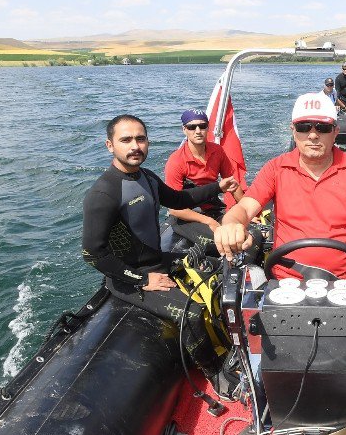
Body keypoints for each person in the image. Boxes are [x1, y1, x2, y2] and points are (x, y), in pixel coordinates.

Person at [213, 92, 346, 435]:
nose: (313, 134)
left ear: (335, 131)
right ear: (293, 131)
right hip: (287, 286)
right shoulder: (277, 169)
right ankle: (264, 425)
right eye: (304, 127)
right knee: (257, 363)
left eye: (322, 127)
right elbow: (245, 208)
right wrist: (230, 224)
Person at [82, 114, 240, 360]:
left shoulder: (146, 177)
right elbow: (92, 253)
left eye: (140, 138)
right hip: (130, 278)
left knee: (222, 268)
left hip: (157, 259)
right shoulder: (104, 193)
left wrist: (217, 187)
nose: (135, 146)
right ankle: (216, 370)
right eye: (126, 140)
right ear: (110, 145)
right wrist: (142, 279)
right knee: (193, 312)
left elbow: (178, 200)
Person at [163, 108, 243, 252]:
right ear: (184, 130)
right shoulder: (176, 162)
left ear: (208, 128)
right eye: (192, 127)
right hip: (186, 216)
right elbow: (174, 209)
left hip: (213, 209)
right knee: (223, 242)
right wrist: (208, 221)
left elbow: (232, 183)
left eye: (202, 126)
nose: (198, 131)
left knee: (244, 234)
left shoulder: (217, 151)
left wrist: (245, 211)